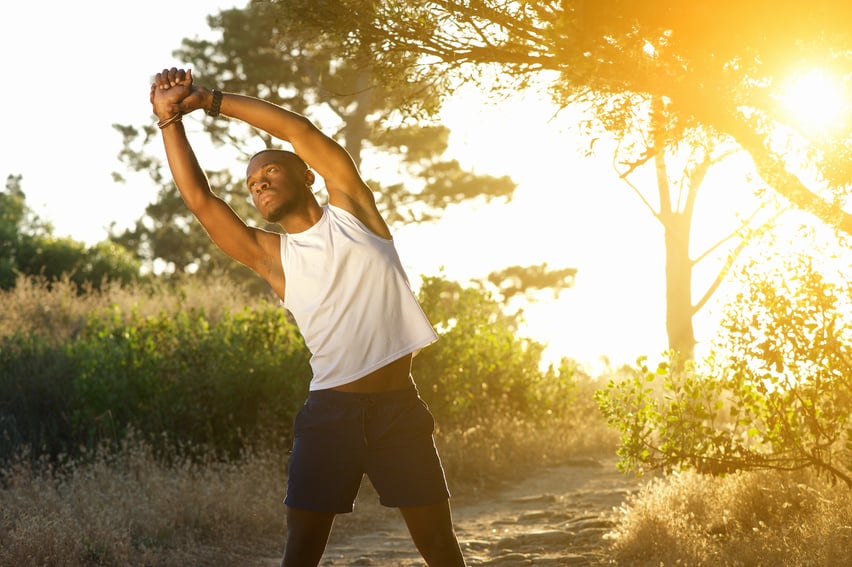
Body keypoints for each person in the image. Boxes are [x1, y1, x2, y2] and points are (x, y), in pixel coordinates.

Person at [149, 67, 467, 567]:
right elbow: (200, 200)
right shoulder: (271, 257)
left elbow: (298, 131)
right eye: (252, 184)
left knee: (440, 547)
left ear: (307, 176)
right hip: (329, 418)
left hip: (398, 411)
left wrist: (208, 100)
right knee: (301, 551)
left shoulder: (354, 213)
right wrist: (169, 121)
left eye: (270, 172)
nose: (259, 184)